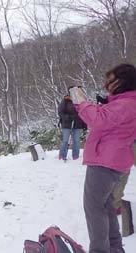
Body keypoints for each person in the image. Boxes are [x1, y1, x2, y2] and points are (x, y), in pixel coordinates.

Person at [72, 63, 136, 253]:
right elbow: (106, 117)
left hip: (106, 162)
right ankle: (114, 248)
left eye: (110, 80)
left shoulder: (127, 103)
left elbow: (98, 120)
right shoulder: (124, 101)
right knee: (105, 206)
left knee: (94, 208)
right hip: (110, 161)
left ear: (121, 82)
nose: (106, 84)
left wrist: (80, 101)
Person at [58, 91, 87, 161]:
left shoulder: (80, 101)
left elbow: (84, 112)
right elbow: (60, 112)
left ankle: (75, 156)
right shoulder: (66, 100)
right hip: (67, 124)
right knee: (65, 140)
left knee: (76, 141)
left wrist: (84, 124)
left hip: (78, 124)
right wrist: (68, 117)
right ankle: (62, 155)